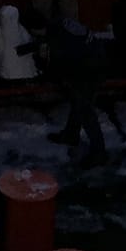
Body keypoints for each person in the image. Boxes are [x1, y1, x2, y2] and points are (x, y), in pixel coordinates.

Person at [45, 16, 108, 166]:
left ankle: (99, 153)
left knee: (85, 109)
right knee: (77, 100)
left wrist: (56, 76)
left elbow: (63, 63)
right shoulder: (60, 25)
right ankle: (71, 135)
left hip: (90, 68)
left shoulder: (58, 36)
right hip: (91, 60)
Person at [0, 4, 41, 81]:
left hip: (23, 69)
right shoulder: (0, 33)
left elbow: (29, 42)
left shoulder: (20, 30)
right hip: (7, 69)